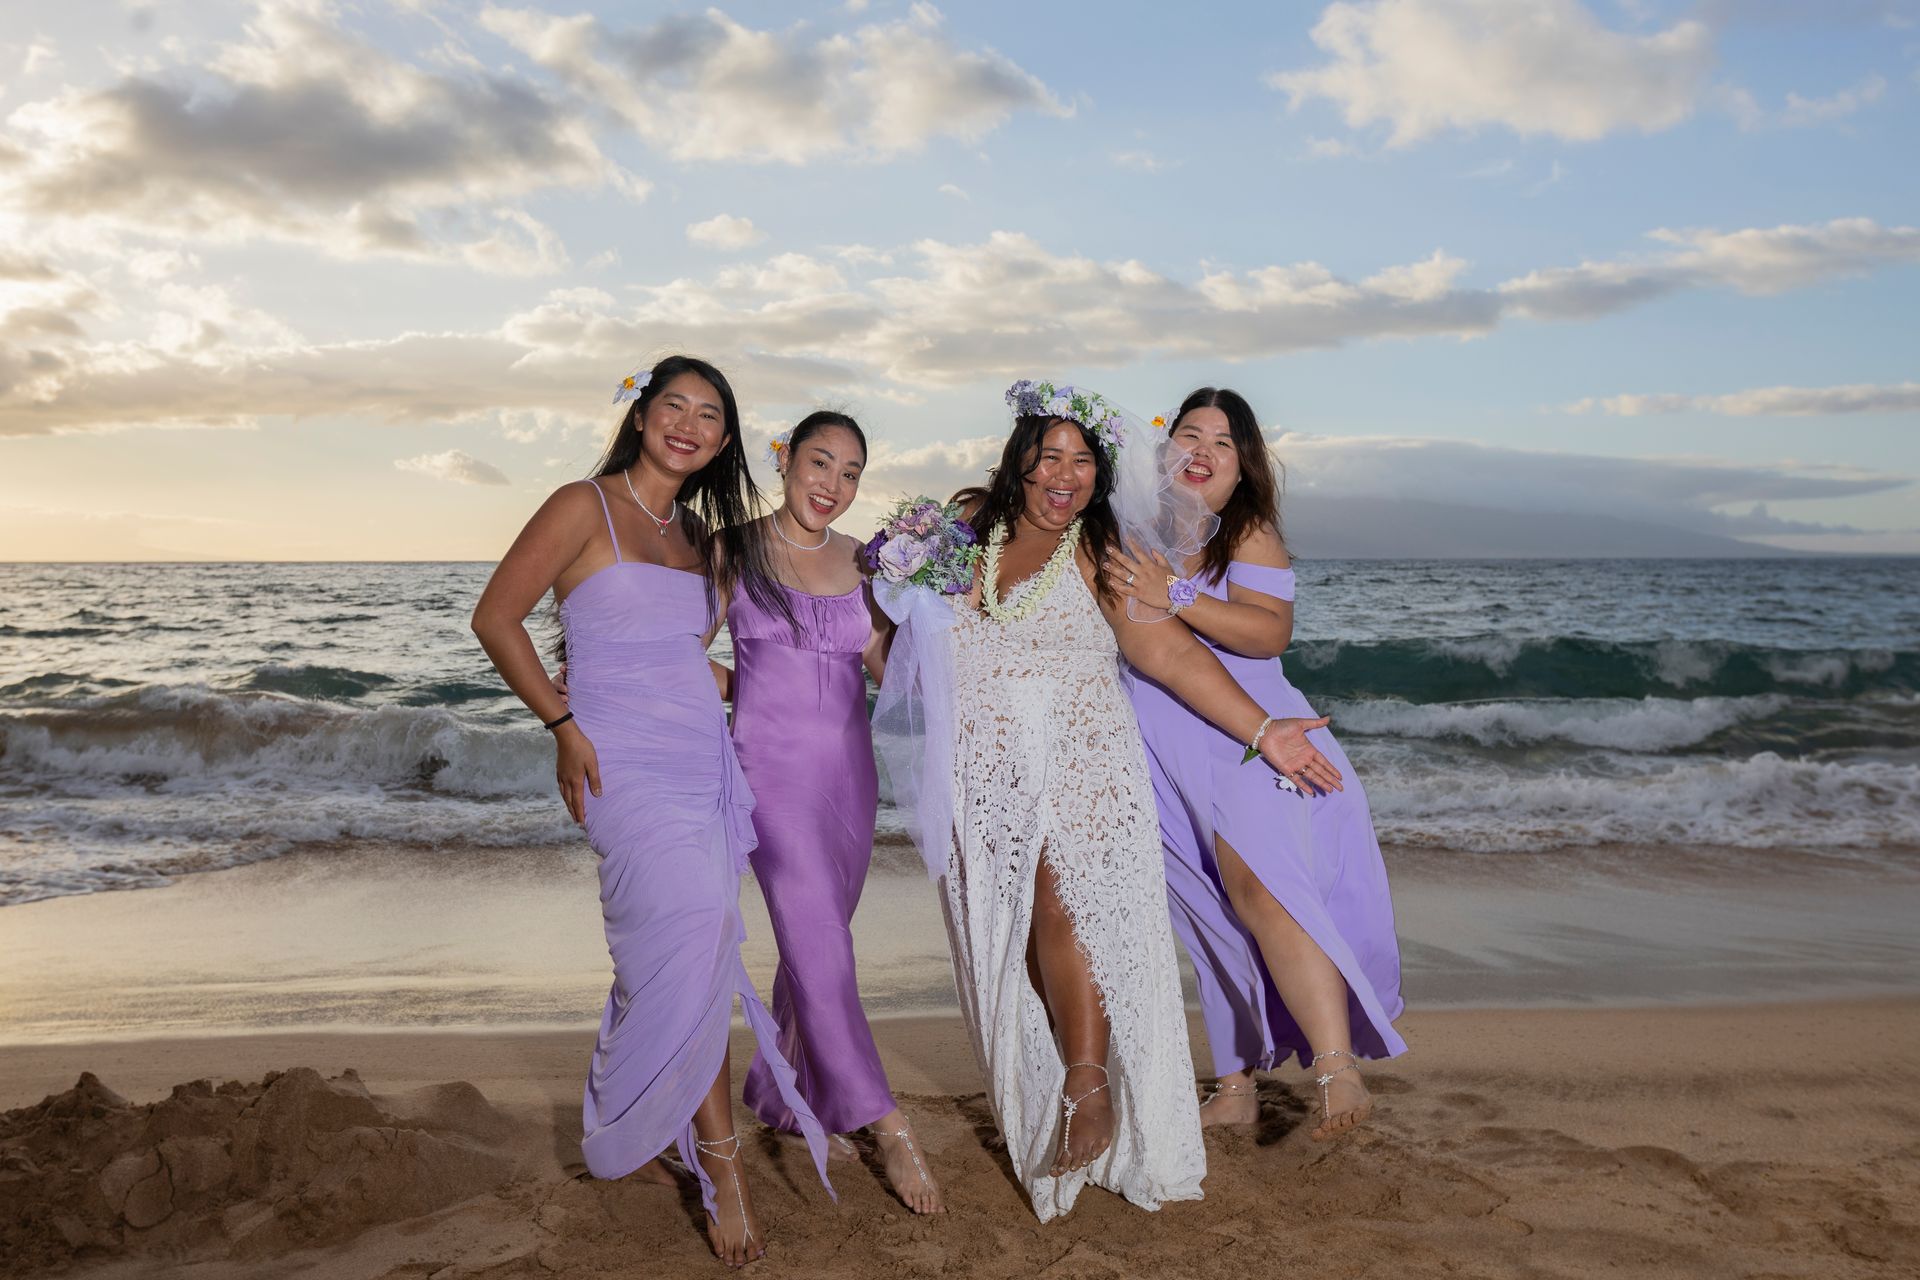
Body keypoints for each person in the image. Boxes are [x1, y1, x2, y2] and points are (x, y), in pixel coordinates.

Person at [890, 382, 1343, 1222]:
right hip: (987, 775)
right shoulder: (959, 535)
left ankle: (1088, 1086)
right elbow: (893, 652)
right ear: (1020, 461)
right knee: (1016, 942)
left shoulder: (1103, 552)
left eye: (1083, 461)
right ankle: (1060, 1089)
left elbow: (1171, 656)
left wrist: (1263, 730)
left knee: (1068, 905)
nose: (1065, 476)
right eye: (1050, 457)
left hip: (1085, 760)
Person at [470, 355, 829, 1267]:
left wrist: (778, 693)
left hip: (700, 758)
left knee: (692, 946)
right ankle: (719, 1161)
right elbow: (496, 619)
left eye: (710, 415)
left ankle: (676, 1127)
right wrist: (560, 721)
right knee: (697, 927)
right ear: (641, 417)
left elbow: (680, 657)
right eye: (674, 404)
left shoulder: (704, 539)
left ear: (722, 442)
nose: (689, 424)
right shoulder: (578, 506)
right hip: (618, 762)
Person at [1110, 387, 1406, 1141]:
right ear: (1163, 450)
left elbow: (1269, 634)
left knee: (1263, 888)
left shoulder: (1248, 533)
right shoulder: (1133, 534)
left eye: (1225, 443)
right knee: (1208, 916)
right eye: (1189, 434)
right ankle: (1237, 1084)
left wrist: (1174, 592)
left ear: (1244, 469)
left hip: (1246, 737)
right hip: (1157, 749)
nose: (1203, 452)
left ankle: (1337, 1070)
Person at [717, 410, 945, 1214]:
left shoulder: (863, 561)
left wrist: (937, 615)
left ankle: (785, 1093)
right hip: (769, 772)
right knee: (817, 940)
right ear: (784, 460)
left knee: (823, 943)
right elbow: (681, 647)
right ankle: (882, 1120)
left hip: (849, 774)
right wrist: (747, 690)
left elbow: (885, 668)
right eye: (821, 463)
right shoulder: (731, 548)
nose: (834, 485)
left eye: (851, 473)